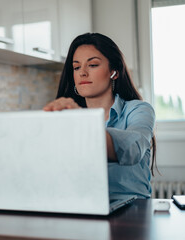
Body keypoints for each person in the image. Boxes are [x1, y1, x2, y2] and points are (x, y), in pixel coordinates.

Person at [43, 33, 156, 198]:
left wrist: (82, 122)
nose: (82, 73)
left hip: (132, 210)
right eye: (76, 67)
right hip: (81, 207)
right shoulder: (67, 117)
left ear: (114, 72)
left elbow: (134, 147)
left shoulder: (139, 110)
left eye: (93, 65)